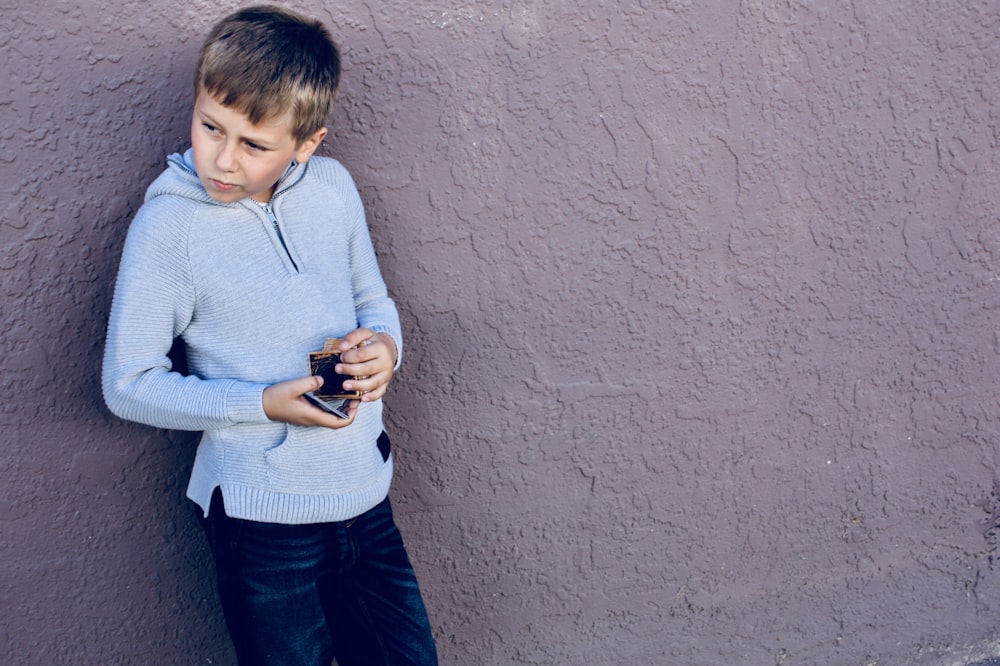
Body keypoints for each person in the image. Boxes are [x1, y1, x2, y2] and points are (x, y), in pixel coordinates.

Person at [101, 6, 438, 665]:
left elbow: (376, 302)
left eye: (254, 145)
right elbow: (127, 385)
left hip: (366, 500)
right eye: (209, 127)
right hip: (263, 523)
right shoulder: (169, 230)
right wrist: (259, 402)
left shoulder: (335, 189)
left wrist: (386, 351)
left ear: (307, 144)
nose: (222, 159)